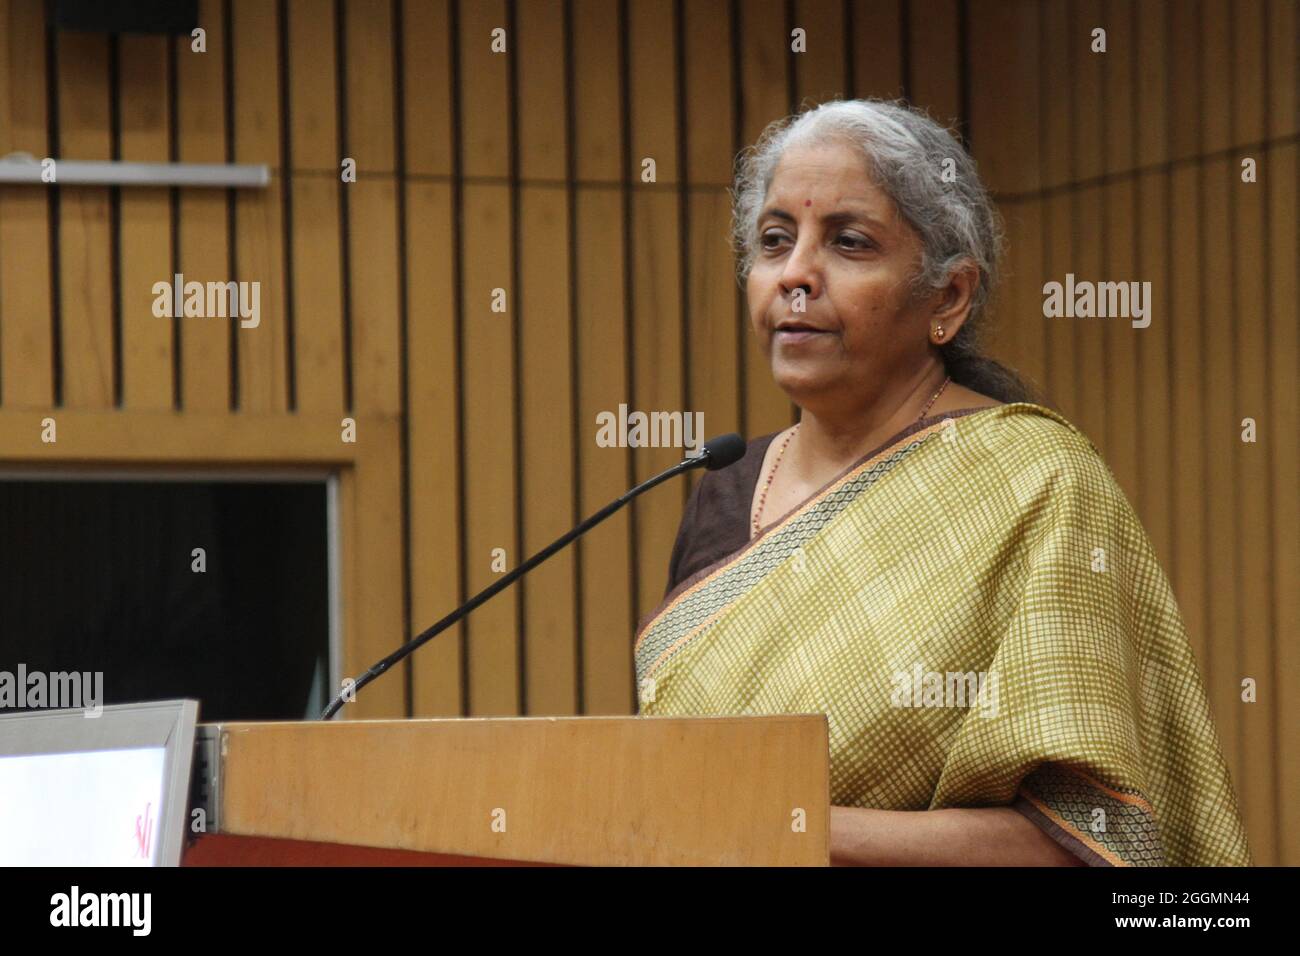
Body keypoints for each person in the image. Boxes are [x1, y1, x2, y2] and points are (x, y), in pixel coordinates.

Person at [634, 98, 1251, 867]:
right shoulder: (724, 492)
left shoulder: (1035, 485)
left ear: (948, 297)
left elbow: (1097, 837)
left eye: (848, 243)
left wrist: (787, 828)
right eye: (774, 241)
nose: (795, 274)